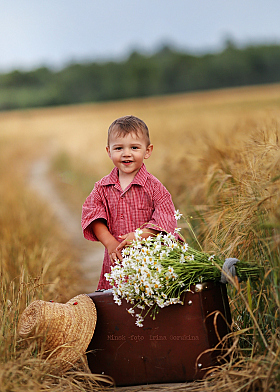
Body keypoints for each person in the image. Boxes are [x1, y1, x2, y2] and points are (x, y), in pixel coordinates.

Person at [81, 115, 181, 290]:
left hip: (151, 261)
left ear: (147, 151)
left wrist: (139, 236)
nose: (126, 153)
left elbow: (166, 220)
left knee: (150, 303)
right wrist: (111, 244)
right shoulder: (102, 188)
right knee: (117, 304)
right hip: (117, 260)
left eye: (134, 147)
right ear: (109, 151)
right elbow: (93, 216)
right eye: (119, 148)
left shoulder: (155, 188)